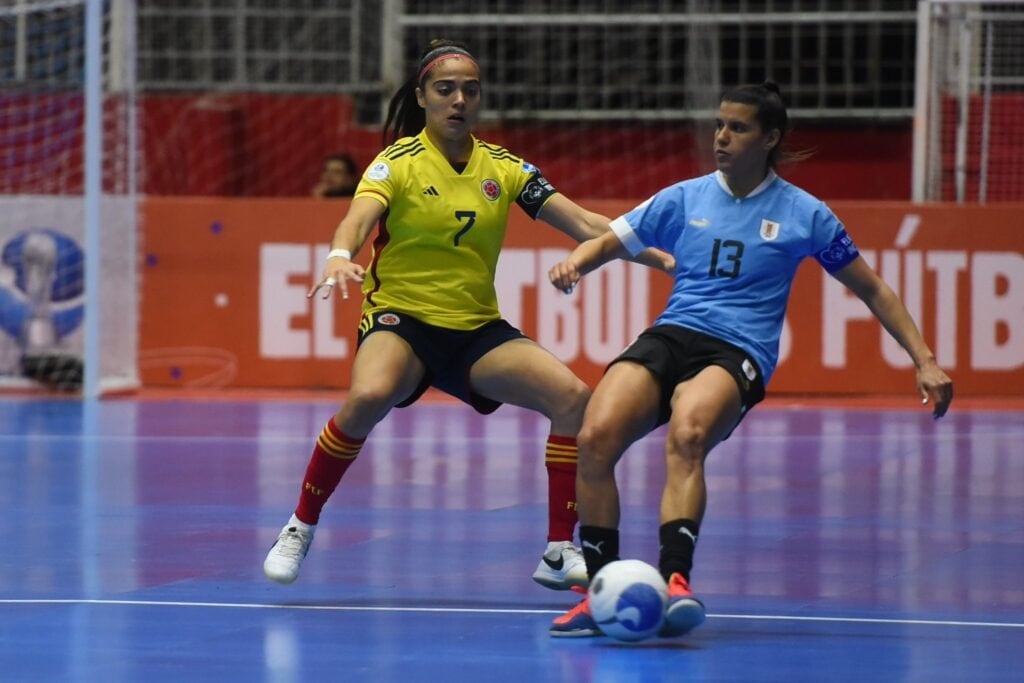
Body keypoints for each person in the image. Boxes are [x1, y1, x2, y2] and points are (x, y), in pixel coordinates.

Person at [546, 82, 954, 637]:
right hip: (672, 334)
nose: (722, 137)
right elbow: (610, 239)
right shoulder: (684, 197)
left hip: (738, 349)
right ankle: (600, 592)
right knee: (595, 437)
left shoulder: (805, 214)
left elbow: (874, 289)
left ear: (769, 139)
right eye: (720, 125)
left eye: (737, 128)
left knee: (688, 435)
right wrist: (577, 262)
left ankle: (674, 580)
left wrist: (924, 360)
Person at [263, 39, 673, 591]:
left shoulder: (504, 168)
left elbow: (585, 224)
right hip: (402, 318)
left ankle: (558, 550)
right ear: (422, 97)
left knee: (574, 399)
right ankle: (300, 525)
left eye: (470, 90)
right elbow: (358, 219)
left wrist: (658, 255)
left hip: (476, 328)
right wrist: (339, 255)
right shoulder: (397, 163)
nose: (459, 100)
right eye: (445, 89)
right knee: (368, 395)